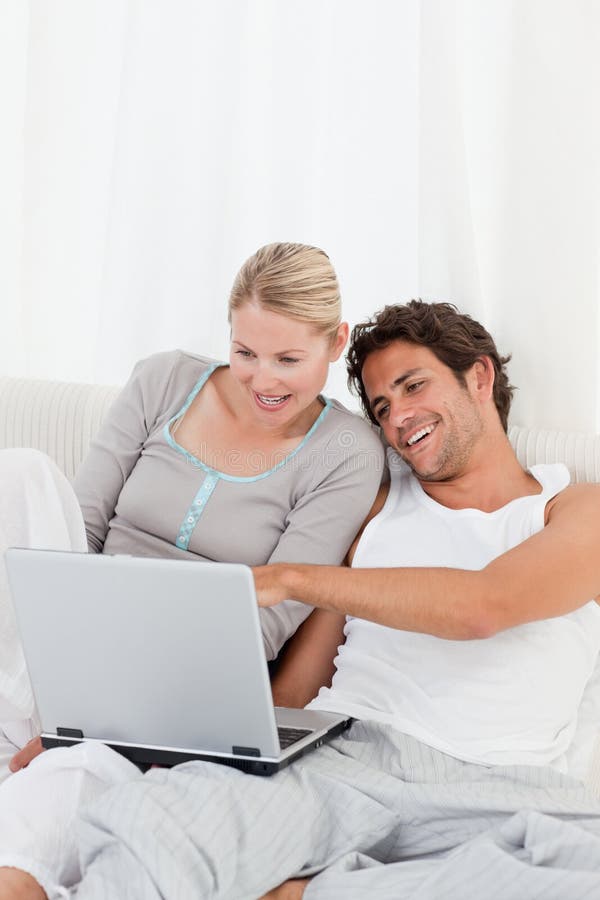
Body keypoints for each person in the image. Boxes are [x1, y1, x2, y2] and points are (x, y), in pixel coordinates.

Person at [2, 300, 600, 900]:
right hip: (344, 758)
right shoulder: (374, 511)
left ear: (480, 376)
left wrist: (291, 577)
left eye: (414, 386)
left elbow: (483, 607)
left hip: (499, 787)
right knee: (156, 819)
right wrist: (138, 744)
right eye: (383, 407)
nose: (399, 419)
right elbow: (292, 696)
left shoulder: (572, 509)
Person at [0, 242, 385, 782]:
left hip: (182, 683)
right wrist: (72, 645)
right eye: (245, 352)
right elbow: (79, 530)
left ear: (336, 341)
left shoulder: (346, 452)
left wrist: (110, 705)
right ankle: (44, 708)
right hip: (72, 635)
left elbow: (268, 623)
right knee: (21, 475)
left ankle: (69, 728)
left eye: (289, 360)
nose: (264, 381)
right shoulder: (164, 380)